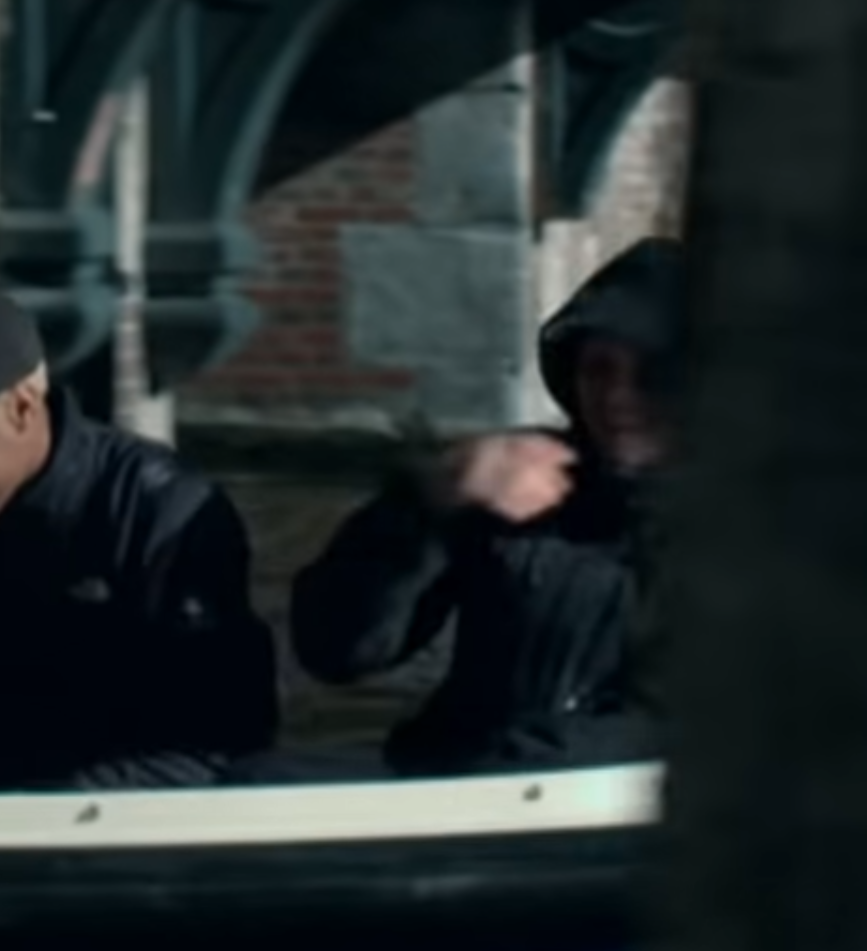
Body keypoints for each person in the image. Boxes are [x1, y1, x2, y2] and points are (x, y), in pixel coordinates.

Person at [0, 281, 280, 792]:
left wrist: (42, 805)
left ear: (21, 408)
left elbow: (222, 737)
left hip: (122, 803)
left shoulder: (158, 513)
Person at [284, 237, 680, 776]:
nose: (617, 397)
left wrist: (507, 772)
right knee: (249, 780)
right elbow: (333, 651)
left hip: (614, 804)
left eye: (653, 376)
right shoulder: (518, 479)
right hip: (459, 786)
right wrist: (426, 500)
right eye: (598, 370)